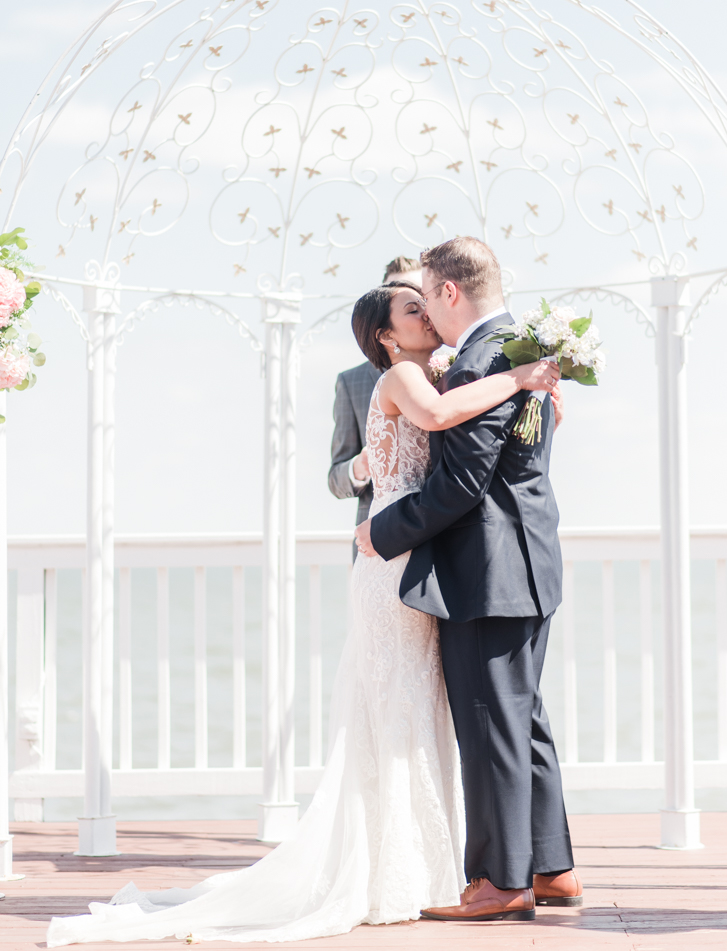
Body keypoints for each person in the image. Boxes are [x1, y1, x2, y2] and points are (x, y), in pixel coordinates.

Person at [46, 279, 557, 946]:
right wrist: (520, 375)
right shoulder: (407, 374)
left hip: (405, 550)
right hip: (395, 557)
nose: (427, 315)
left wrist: (530, 394)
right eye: (413, 309)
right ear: (385, 333)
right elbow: (432, 423)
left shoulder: (420, 373)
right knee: (397, 706)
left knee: (411, 707)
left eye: (427, 303)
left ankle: (414, 866)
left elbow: (393, 454)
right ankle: (396, 870)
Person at [355, 236, 582, 921]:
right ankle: (550, 866)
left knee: (489, 723)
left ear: (450, 293)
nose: (426, 310)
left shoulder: (482, 361)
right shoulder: (518, 351)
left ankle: (499, 878)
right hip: (529, 559)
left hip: (486, 568)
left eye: (427, 295)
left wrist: (381, 533)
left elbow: (458, 484)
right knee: (521, 719)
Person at [328, 256, 422, 556]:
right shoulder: (352, 382)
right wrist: (361, 465)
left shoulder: (454, 369)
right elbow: (335, 478)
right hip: (377, 542)